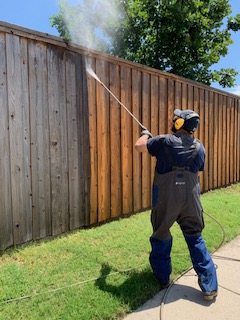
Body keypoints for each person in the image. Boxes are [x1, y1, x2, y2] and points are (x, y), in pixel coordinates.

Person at [135, 109, 218, 301]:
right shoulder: (200, 147)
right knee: (195, 238)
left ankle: (163, 278)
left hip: (166, 199)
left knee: (161, 235)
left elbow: (139, 146)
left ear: (179, 124)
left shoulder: (162, 141)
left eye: (176, 119)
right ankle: (209, 287)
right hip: (191, 199)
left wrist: (145, 134)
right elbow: (197, 174)